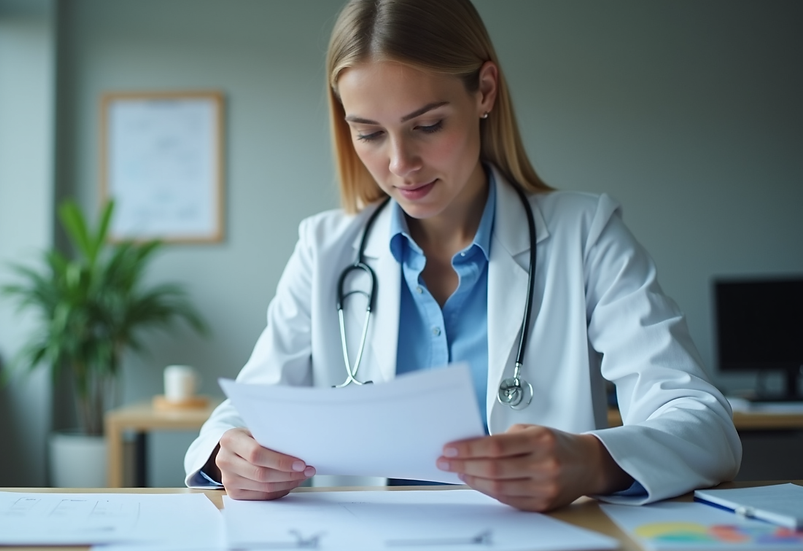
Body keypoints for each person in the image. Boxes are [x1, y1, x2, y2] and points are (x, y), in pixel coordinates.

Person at [184, 0, 740, 512]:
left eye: (428, 125)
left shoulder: (585, 234)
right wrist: (228, 453)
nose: (401, 163)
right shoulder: (324, 250)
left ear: (485, 91)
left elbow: (704, 425)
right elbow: (239, 418)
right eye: (370, 133)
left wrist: (590, 461)